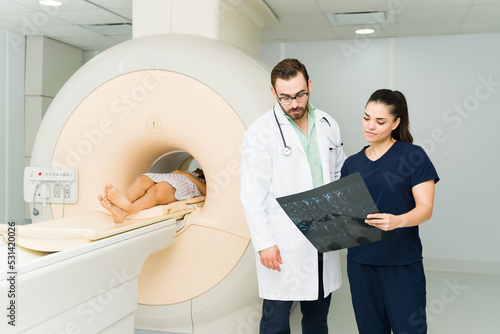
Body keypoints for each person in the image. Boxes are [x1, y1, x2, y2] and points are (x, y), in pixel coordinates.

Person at [240, 58, 345, 333]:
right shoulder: (260, 133)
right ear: (273, 93)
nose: (294, 103)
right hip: (283, 240)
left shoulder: (327, 124)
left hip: (324, 233)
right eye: (285, 97)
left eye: (300, 94)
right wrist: (264, 243)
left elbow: (337, 174)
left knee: (317, 318)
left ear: (309, 86)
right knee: (275, 321)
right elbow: (252, 194)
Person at [341, 89, 439, 334]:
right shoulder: (351, 164)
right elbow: (345, 214)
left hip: (401, 263)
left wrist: (398, 221)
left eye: (380, 121)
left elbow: (425, 209)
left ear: (396, 123)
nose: (370, 126)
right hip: (360, 263)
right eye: (366, 118)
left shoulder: (413, 156)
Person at [98, 168, 206, 223]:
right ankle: (122, 201)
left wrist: (185, 174)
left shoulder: (204, 180)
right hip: (171, 177)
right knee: (142, 180)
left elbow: (205, 191)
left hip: (187, 184)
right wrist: (180, 172)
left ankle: (123, 212)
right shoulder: (192, 171)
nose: (198, 168)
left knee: (154, 191)